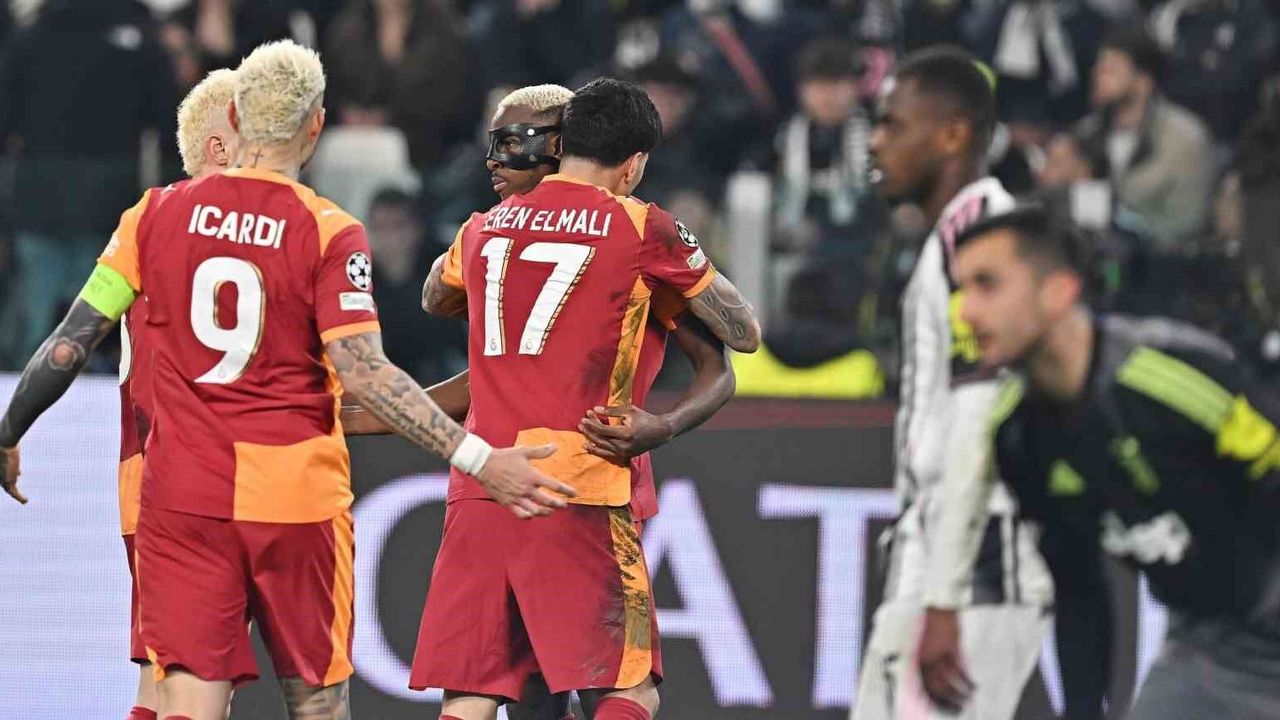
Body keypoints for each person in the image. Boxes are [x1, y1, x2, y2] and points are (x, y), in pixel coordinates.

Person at [0, 39, 570, 720]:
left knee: (185, 699)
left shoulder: (150, 214)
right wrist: (478, 458)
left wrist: (9, 430)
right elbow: (364, 371)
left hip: (185, 495)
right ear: (316, 125)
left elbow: (70, 343)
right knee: (317, 702)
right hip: (295, 499)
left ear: (236, 117)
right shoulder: (329, 231)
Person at [408, 77, 760, 720]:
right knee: (626, 686)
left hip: (483, 482)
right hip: (580, 481)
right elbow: (744, 335)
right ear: (634, 164)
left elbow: (434, 297)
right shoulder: (642, 228)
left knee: (475, 693)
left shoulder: (482, 228)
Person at [952, 203, 1280, 720]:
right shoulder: (1017, 437)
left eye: (986, 285)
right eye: (961, 289)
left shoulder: (1170, 375)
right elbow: (1079, 588)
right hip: (1212, 650)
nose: (966, 311)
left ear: (1058, 292)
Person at [851, 46, 1053, 720]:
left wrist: (944, 599)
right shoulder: (954, 241)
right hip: (941, 544)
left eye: (892, 124)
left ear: (953, 135)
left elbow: (978, 421)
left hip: (978, 557)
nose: (875, 142)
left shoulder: (983, 242)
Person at [114, 67, 240, 720]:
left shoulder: (144, 224)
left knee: (161, 677)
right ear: (219, 146)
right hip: (197, 477)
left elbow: (84, 332)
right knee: (196, 682)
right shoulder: (231, 236)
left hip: (143, 475)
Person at [1074, 24, 1214, 255]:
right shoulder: (1086, 133)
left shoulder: (1184, 138)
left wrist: (1129, 231)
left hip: (1161, 261)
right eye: (1098, 68)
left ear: (1143, 81)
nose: (1098, 77)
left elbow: (1187, 222)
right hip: (1092, 257)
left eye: (1111, 70)